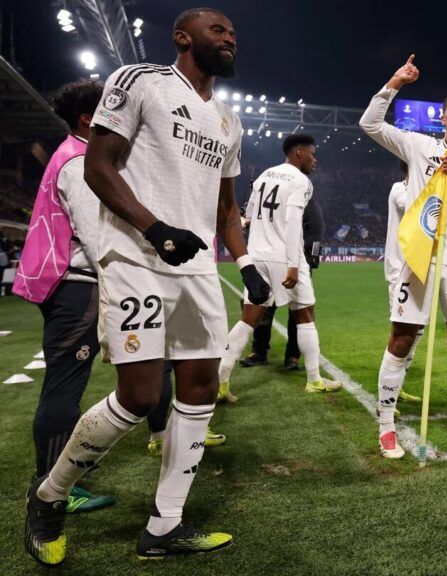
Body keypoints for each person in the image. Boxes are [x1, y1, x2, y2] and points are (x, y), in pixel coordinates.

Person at [24, 8, 270, 565]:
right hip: (136, 256)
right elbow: (99, 166)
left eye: (234, 32)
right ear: (183, 37)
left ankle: (165, 525)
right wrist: (155, 229)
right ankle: (49, 496)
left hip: (198, 268)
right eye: (218, 30)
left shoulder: (228, 121)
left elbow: (227, 206)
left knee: (201, 384)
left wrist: (247, 260)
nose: (230, 37)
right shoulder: (138, 82)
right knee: (139, 395)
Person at [360, 55, 447, 458]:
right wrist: (395, 82)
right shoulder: (417, 145)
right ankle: (386, 426)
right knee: (402, 339)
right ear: (442, 119)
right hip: (420, 258)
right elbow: (369, 124)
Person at [13, 79, 115, 515]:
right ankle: (53, 486)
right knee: (63, 388)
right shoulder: (79, 161)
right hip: (77, 286)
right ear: (87, 119)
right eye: (112, 110)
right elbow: (97, 241)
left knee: (63, 385)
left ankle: (55, 477)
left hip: (65, 284)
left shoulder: (71, 153)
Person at [218, 134, 339, 398]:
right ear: (298, 153)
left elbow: (247, 216)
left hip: (257, 255)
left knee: (248, 319)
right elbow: (294, 221)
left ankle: (221, 383)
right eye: (312, 153)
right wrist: (294, 264)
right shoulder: (301, 181)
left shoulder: (263, 175)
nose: (314, 160)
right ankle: (314, 379)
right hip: (285, 257)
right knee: (305, 314)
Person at [239, 197, 325, 370]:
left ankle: (293, 356)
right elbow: (245, 217)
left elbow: (316, 229)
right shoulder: (265, 199)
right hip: (269, 259)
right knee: (262, 308)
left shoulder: (307, 202)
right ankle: (259, 351)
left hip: (296, 263)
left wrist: (310, 257)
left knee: (298, 313)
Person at [381, 162, 421, 402]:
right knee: (400, 331)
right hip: (399, 271)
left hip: (418, 271)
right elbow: (410, 207)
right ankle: (386, 397)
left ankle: (397, 385)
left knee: (417, 331)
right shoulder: (400, 188)